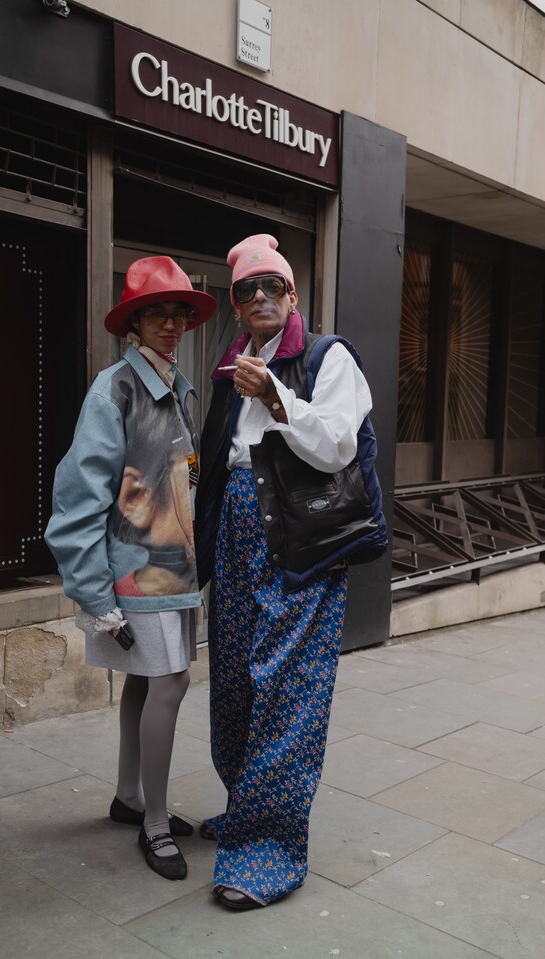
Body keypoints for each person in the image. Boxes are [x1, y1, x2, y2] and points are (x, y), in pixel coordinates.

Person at [195, 234, 386, 910]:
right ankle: (246, 806)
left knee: (286, 687)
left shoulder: (328, 358)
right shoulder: (231, 366)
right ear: (235, 303)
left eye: (271, 285)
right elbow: (218, 461)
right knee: (234, 680)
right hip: (236, 533)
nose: (260, 297)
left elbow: (336, 445)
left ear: (293, 294)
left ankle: (268, 848)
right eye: (246, 289)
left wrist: (276, 397)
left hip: (303, 538)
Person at [45, 256, 216, 882]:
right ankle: (155, 822)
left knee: (147, 684)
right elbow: (77, 496)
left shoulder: (175, 385)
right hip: (136, 574)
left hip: (172, 571)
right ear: (133, 324)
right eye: (156, 313)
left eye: (179, 313)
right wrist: (94, 594)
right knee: (169, 684)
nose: (170, 323)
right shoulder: (115, 388)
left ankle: (129, 796)